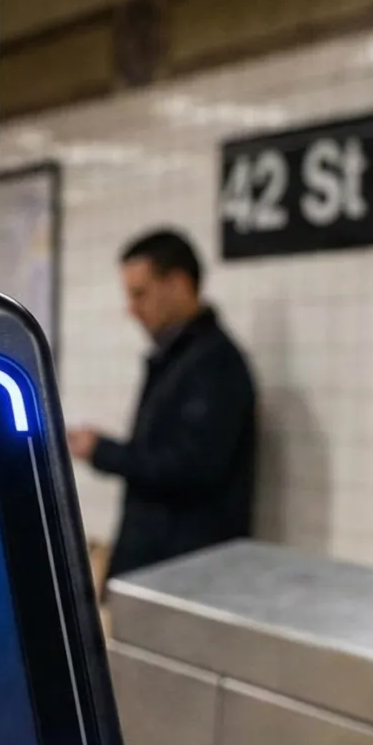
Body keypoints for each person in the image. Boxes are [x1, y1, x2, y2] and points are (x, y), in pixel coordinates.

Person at [67, 228, 258, 580]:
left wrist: (103, 451)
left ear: (179, 284)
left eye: (140, 294)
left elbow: (193, 467)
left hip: (187, 571)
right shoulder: (176, 359)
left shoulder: (214, 365)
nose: (132, 309)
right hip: (157, 565)